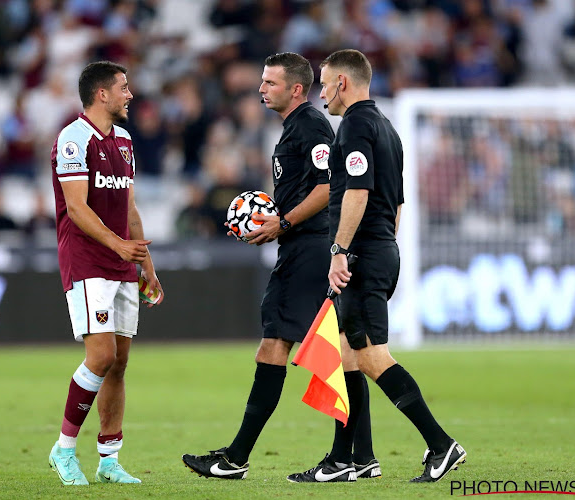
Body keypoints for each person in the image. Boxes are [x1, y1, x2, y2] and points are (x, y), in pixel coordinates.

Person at [182, 52, 380, 482]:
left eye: (270, 83)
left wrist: (283, 221)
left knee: (274, 345)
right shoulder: (297, 127)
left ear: (295, 89)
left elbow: (329, 187)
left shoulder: (309, 125)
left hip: (306, 249)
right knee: (341, 349)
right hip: (308, 246)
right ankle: (361, 455)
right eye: (261, 81)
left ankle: (235, 459)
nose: (260, 89)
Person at [290, 48, 466, 483]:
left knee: (369, 355)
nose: (322, 93)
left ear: (342, 83)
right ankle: (353, 458)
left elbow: (357, 193)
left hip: (362, 255)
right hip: (380, 248)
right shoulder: (386, 127)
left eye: (325, 83)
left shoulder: (354, 126)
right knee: (348, 354)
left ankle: (442, 444)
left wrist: (341, 251)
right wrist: (381, 243)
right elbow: (398, 202)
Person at [48, 60, 164, 486]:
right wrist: (118, 246)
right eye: (124, 87)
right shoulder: (73, 138)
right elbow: (76, 208)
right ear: (102, 94)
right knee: (100, 357)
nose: (129, 94)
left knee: (119, 364)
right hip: (86, 261)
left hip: (120, 263)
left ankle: (109, 459)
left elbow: (129, 208)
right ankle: (63, 449)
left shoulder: (125, 141)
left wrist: (146, 266)